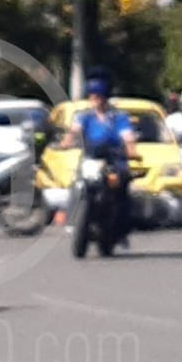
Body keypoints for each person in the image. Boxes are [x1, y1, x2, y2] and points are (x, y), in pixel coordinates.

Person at [61, 73, 139, 244]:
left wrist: (131, 150)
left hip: (113, 160)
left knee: (121, 186)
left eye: (99, 95)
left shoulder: (118, 117)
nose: (95, 99)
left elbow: (128, 137)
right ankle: (72, 220)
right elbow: (73, 131)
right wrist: (65, 143)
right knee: (78, 184)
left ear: (105, 97)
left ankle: (121, 226)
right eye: (92, 95)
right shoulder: (84, 116)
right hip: (92, 159)